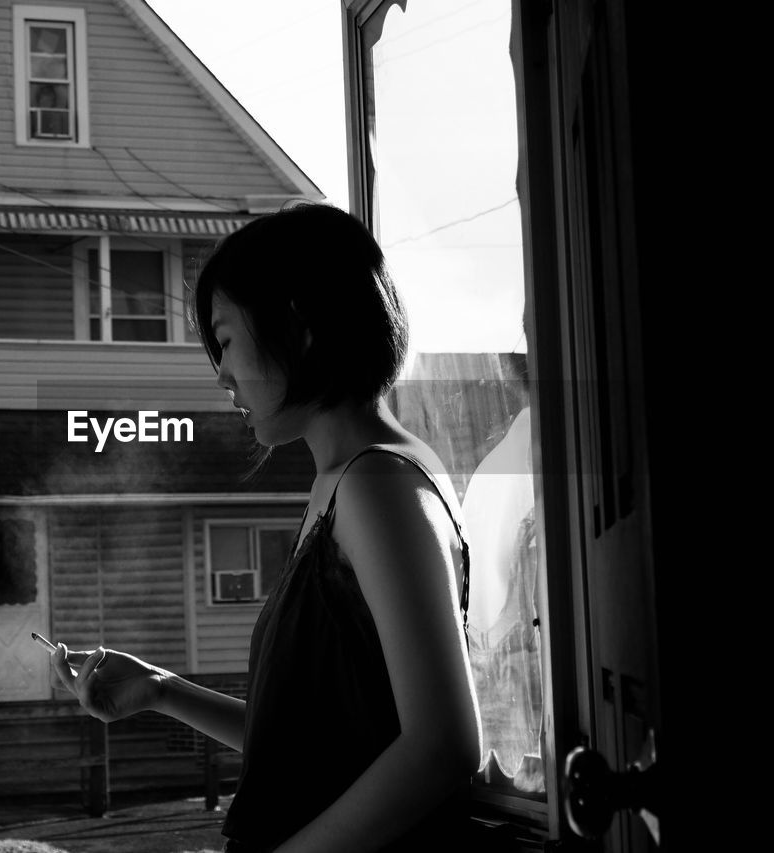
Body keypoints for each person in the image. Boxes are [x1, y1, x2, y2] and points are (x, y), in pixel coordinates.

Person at [49, 203, 482, 852]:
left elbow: (444, 744)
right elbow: (315, 751)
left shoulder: (376, 485)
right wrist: (162, 691)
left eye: (224, 340)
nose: (220, 373)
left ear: (298, 323)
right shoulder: (342, 485)